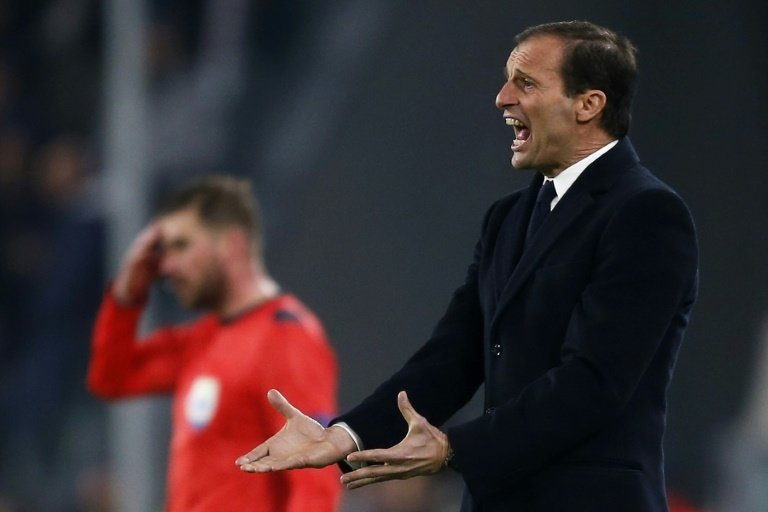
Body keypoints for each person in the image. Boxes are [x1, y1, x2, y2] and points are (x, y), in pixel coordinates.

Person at [236, 20, 699, 512]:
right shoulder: (508, 218)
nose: (502, 98)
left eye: (526, 83)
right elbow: (453, 356)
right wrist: (346, 435)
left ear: (588, 104)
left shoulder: (645, 214)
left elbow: (593, 382)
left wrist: (455, 449)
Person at [87, 176, 341, 512]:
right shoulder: (203, 337)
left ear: (233, 245)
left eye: (181, 246)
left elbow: (315, 482)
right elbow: (112, 378)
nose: (167, 266)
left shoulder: (287, 338)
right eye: (164, 251)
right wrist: (126, 293)